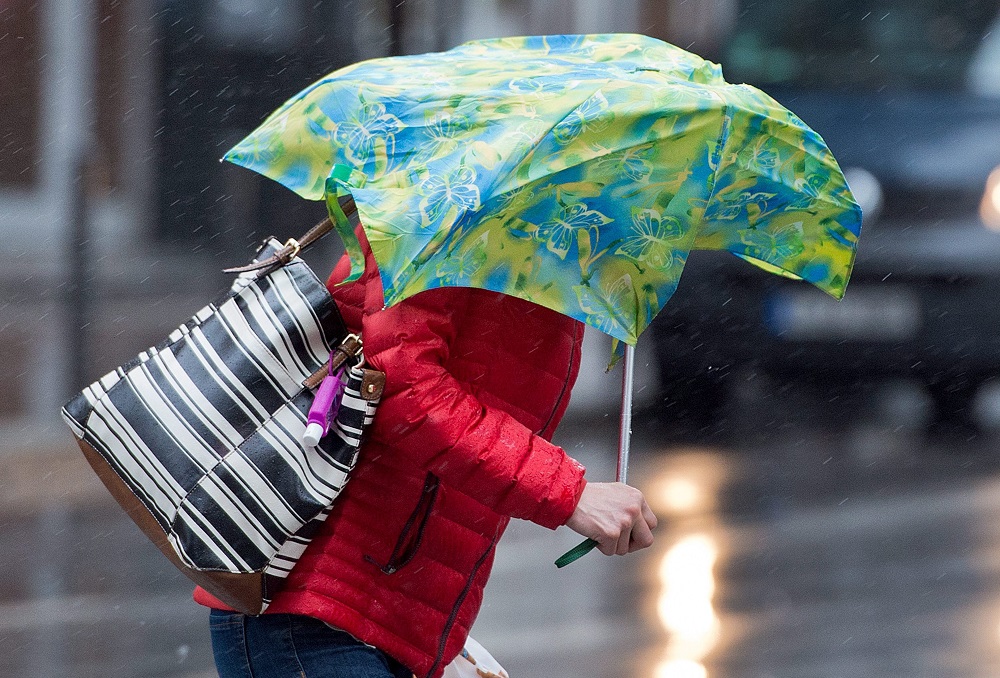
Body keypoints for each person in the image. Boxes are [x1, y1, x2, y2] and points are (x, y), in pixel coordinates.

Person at [198, 227, 658, 678]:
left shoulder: (546, 240)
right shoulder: (448, 208)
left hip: (388, 619)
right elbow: (401, 385)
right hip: (314, 610)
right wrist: (569, 494)